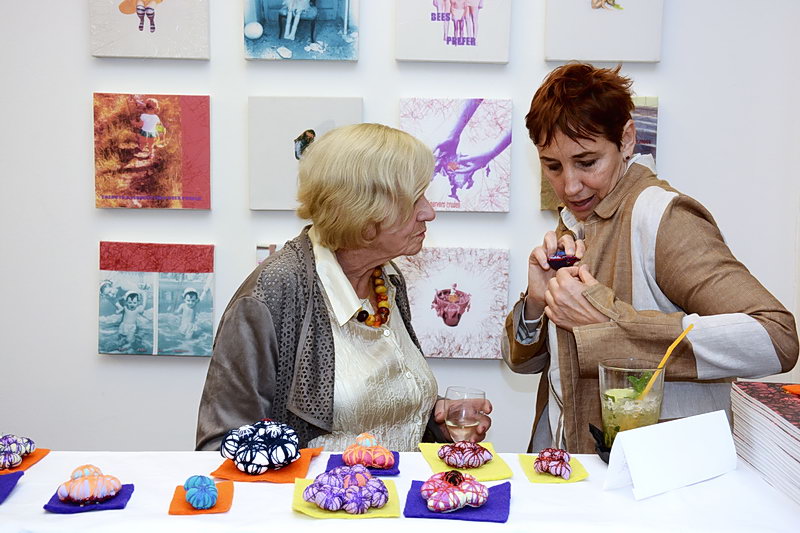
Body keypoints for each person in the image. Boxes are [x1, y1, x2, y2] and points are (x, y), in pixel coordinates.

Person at [503, 63, 799, 454]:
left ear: (626, 140)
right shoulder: (573, 223)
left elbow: (777, 337)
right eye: (552, 166)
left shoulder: (662, 218)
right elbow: (524, 365)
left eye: (587, 162)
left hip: (659, 474)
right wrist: (535, 304)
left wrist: (609, 323)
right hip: (571, 468)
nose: (570, 186)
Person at [196, 123, 492, 452]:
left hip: (394, 486)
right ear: (363, 211)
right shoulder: (273, 293)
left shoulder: (387, 278)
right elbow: (222, 448)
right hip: (314, 488)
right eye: (414, 199)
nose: (429, 212)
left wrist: (434, 418)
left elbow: (375, 407)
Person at [116, 287, 147, 351]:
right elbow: (119, 302)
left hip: (132, 327)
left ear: (138, 302)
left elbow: (143, 306)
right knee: (121, 338)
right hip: (123, 326)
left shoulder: (138, 309)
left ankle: (134, 345)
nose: (132, 304)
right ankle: (122, 345)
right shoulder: (125, 307)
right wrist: (118, 311)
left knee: (129, 339)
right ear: (126, 302)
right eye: (130, 302)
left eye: (134, 303)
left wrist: (144, 296)